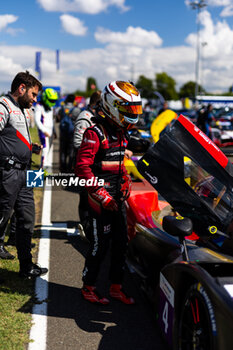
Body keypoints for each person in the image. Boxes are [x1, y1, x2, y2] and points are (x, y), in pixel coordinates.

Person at [75, 81, 142, 304]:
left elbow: (122, 163)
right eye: (128, 110)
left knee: (122, 244)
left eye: (134, 110)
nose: (133, 115)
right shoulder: (94, 132)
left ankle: (115, 286)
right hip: (99, 200)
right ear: (113, 106)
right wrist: (102, 195)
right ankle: (88, 286)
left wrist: (126, 182)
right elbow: (82, 168)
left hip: (118, 199)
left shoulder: (122, 133)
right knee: (99, 245)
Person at [0, 70, 48, 278]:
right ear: (22, 88)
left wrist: (31, 147)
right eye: (34, 94)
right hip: (8, 173)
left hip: (26, 172)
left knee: (27, 219)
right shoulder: (3, 106)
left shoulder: (24, 110)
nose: (35, 100)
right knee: (1, 219)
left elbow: (15, 138)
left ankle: (26, 266)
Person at [73, 91, 101, 238]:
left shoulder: (96, 117)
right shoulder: (85, 118)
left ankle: (91, 226)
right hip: (84, 165)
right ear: (96, 104)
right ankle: (85, 226)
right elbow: (78, 142)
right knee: (85, 198)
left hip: (94, 166)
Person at [34, 88, 58, 169]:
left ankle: (48, 167)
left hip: (50, 131)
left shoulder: (51, 108)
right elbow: (37, 120)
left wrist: (54, 131)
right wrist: (44, 131)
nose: (52, 102)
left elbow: (52, 120)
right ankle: (43, 168)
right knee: (45, 149)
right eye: (51, 100)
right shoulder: (39, 106)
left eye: (54, 100)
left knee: (50, 150)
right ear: (45, 98)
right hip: (43, 131)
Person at [57, 94, 81, 173]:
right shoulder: (76, 109)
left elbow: (58, 117)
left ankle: (62, 168)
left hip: (63, 132)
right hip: (72, 132)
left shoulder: (62, 108)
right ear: (74, 100)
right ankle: (69, 167)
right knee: (71, 151)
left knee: (63, 151)